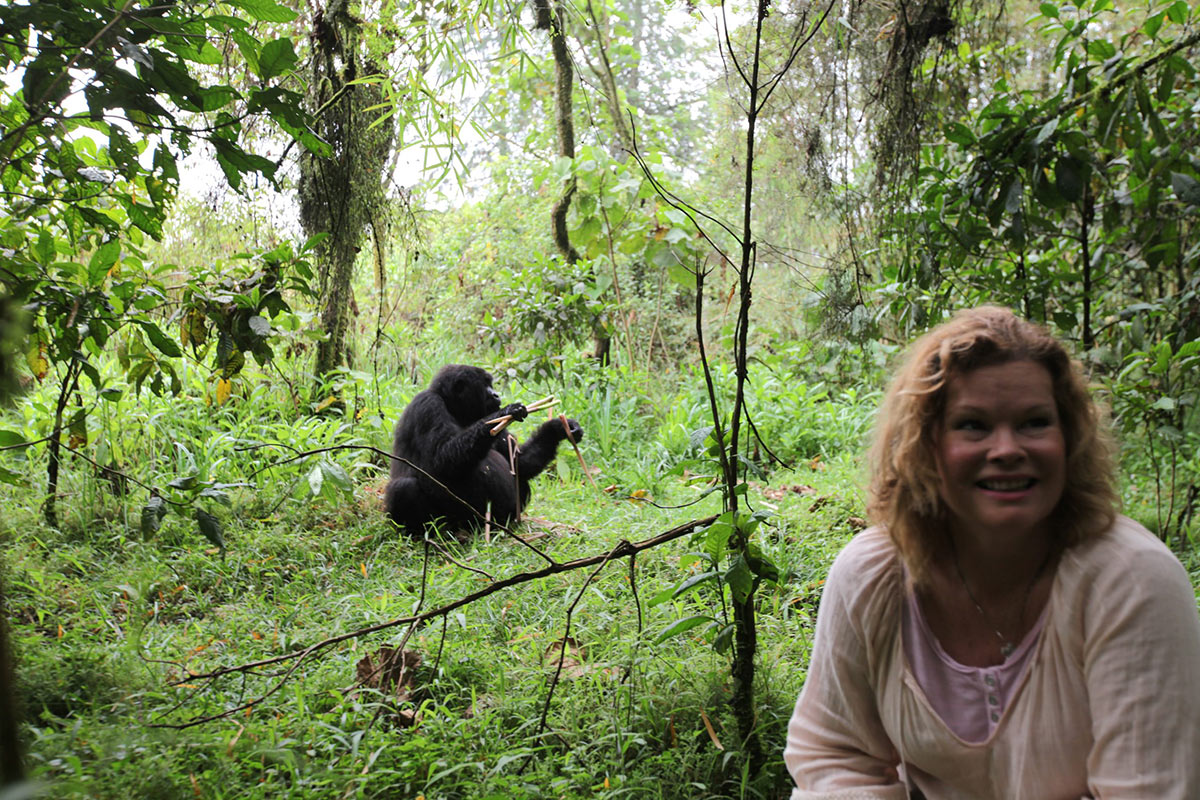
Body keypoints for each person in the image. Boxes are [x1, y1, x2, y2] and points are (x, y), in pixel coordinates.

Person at [783, 306, 1200, 799]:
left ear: (1068, 440)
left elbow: (1148, 789)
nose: (1007, 449)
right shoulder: (875, 575)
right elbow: (835, 754)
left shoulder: (1130, 581)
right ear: (926, 445)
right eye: (974, 425)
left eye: (1034, 423)